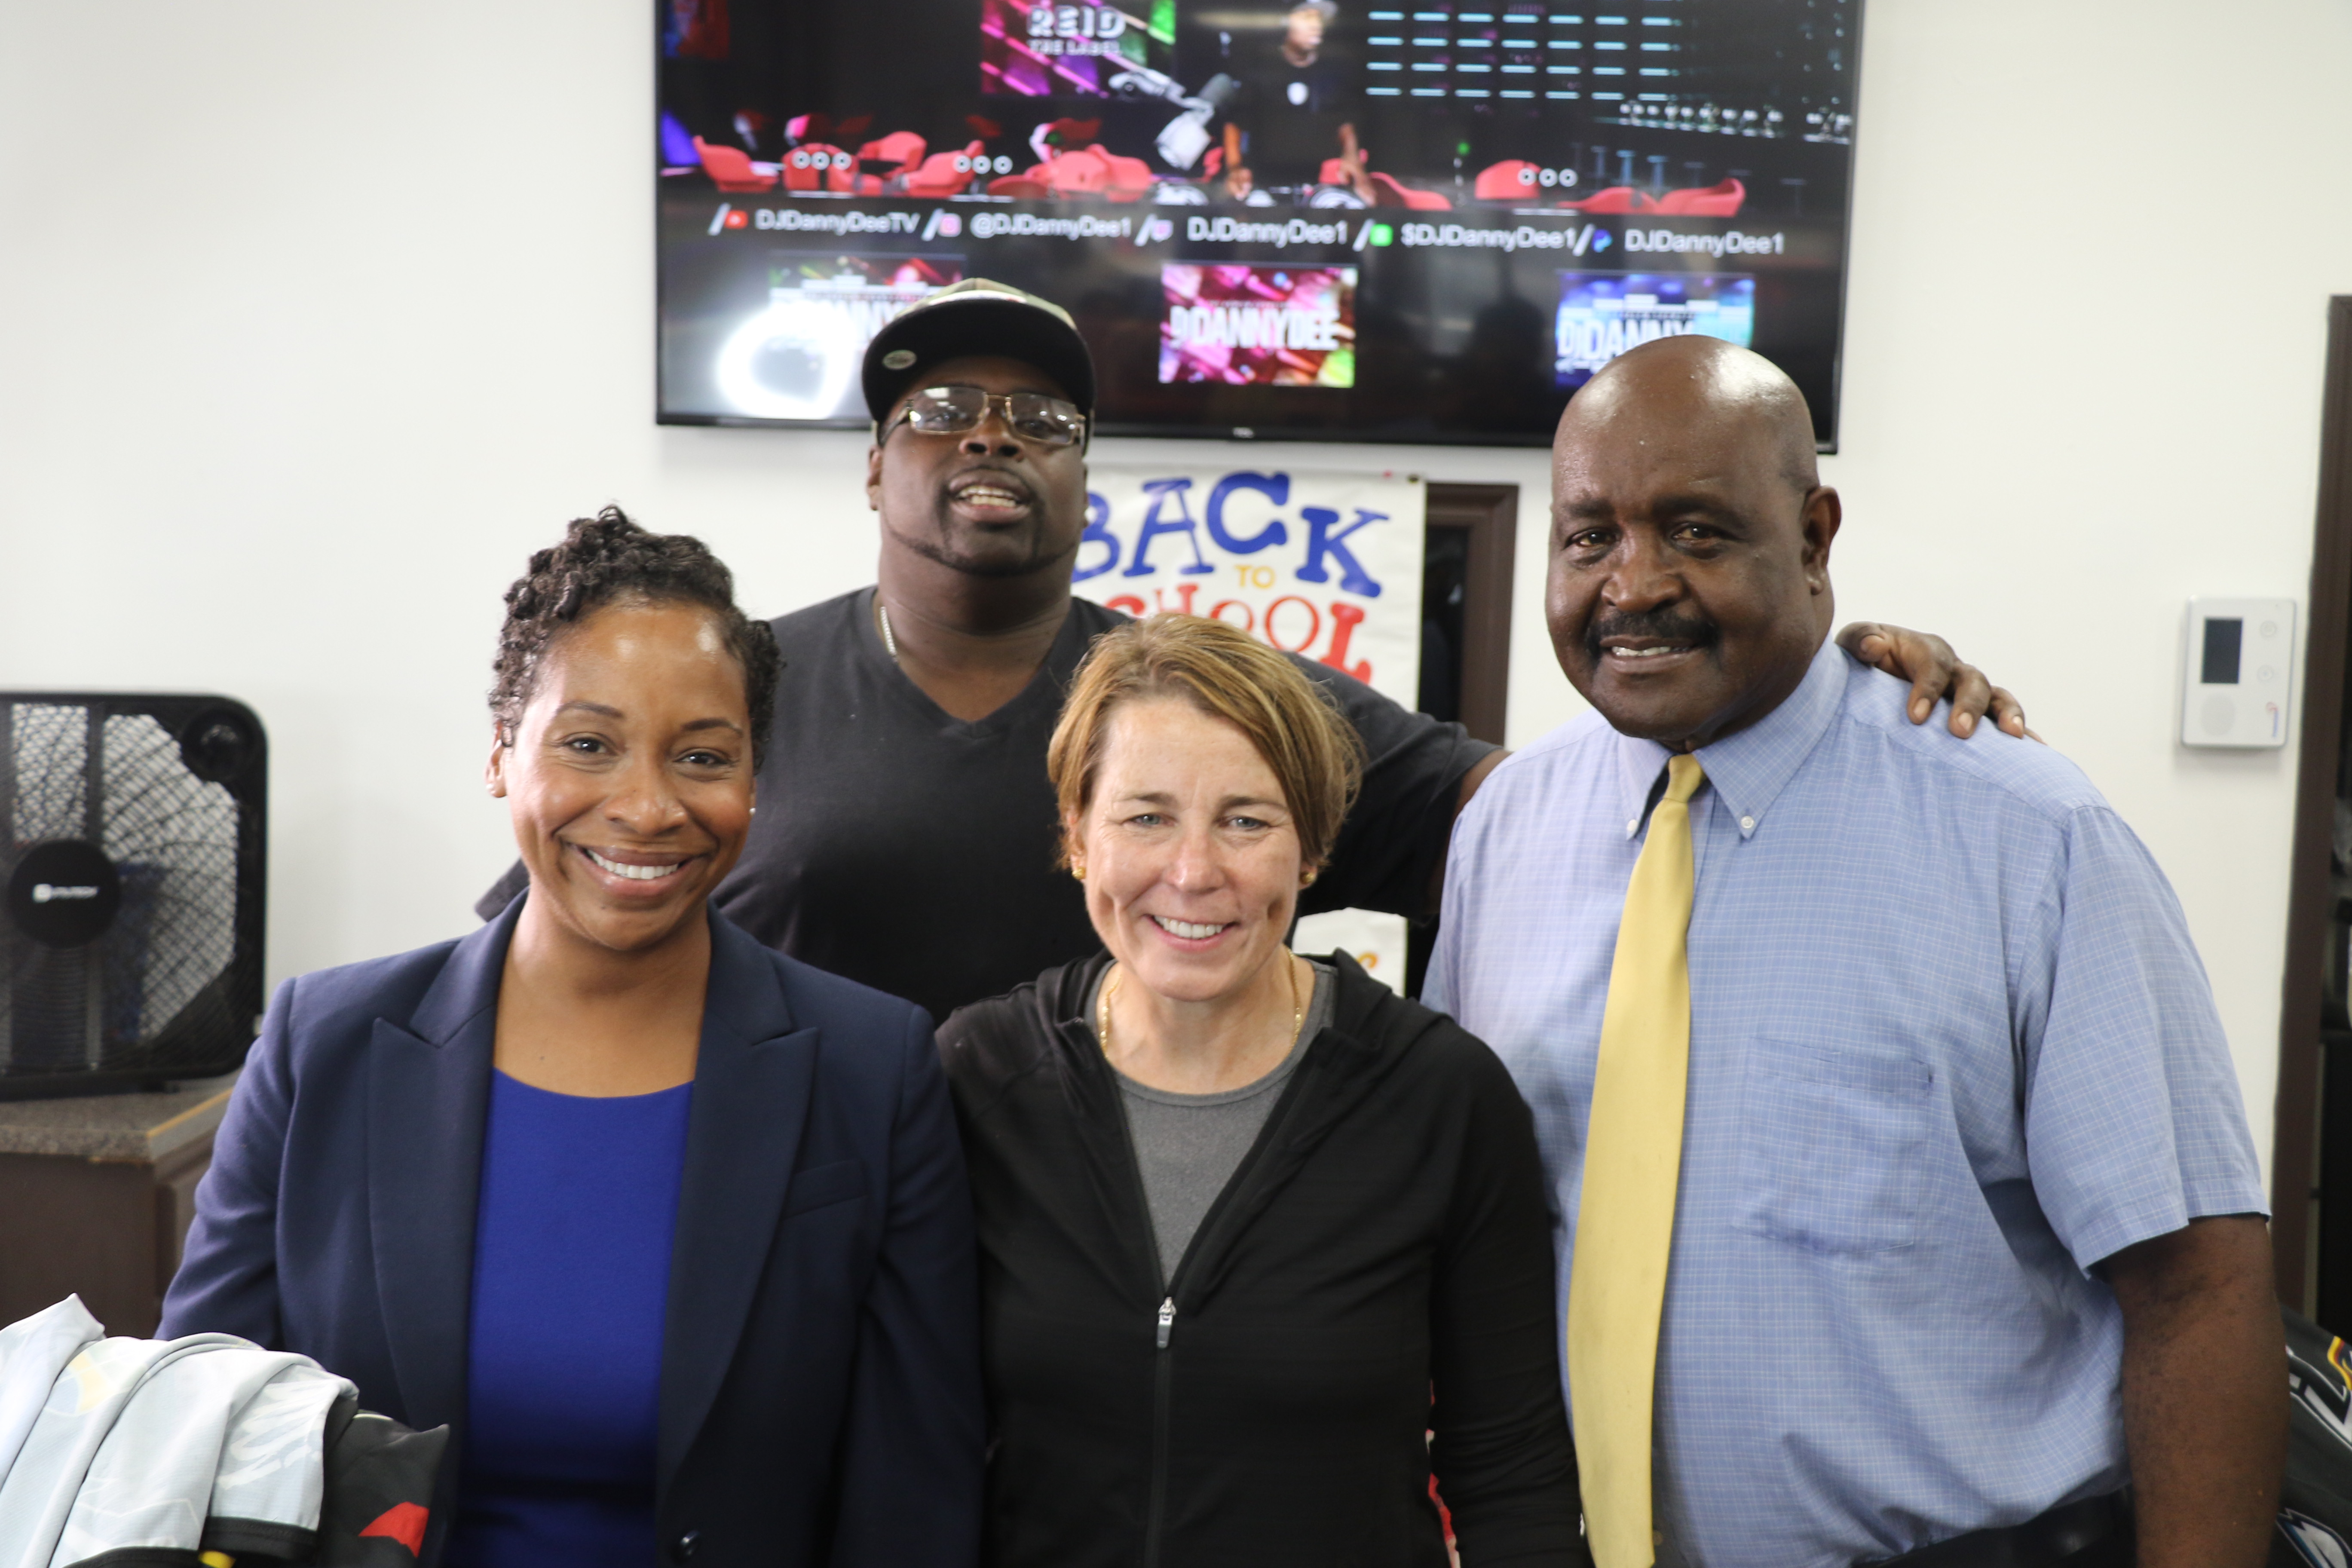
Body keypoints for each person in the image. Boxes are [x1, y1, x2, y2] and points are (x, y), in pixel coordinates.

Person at [477, 279, 2024, 1023]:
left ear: (1092, 477)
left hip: (1105, 1284)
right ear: (872, 470)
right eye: (939, 412)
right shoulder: (742, 687)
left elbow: (1543, 816)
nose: (991, 437)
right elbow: (543, 914)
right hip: (800, 1253)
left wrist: (1796, 681)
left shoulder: (1197, 704)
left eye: (1044, 418)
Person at [1429, 335, 2285, 1568]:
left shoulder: (2031, 840)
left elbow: (2197, 1286)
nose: (1634, 583)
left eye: (1698, 531)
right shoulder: (1504, 830)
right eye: (1589, 537)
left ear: (1817, 537)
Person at [164, 513, 982, 1568]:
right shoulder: (323, 1046)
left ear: (755, 784)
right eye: (588, 745)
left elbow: (912, 1493)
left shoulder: (873, 1068)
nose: (646, 807)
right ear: (503, 754)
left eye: (702, 756)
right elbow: (195, 1423)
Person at [939, 612, 1586, 1565]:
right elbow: (898, 1439)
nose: (1195, 873)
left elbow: (1511, 1471)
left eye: (1247, 820)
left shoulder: (1440, 1096)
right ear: (1077, 833)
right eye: (1146, 816)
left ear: (1313, 850)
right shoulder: (979, 1078)